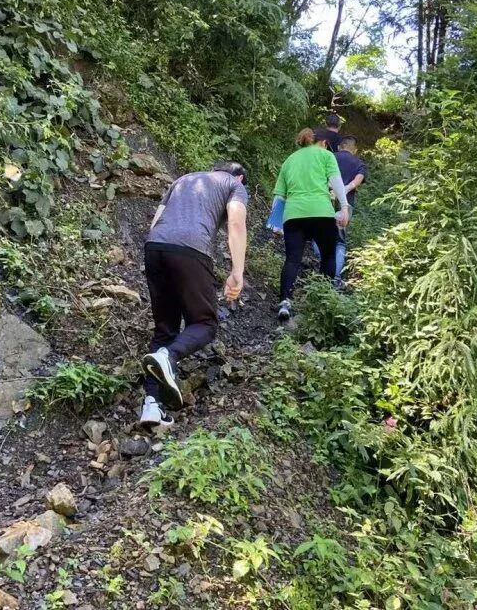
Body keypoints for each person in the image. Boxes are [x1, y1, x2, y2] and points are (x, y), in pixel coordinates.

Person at [139, 162, 248, 432]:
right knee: (205, 323)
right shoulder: (234, 185)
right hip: (190, 249)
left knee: (165, 329)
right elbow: (236, 224)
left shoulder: (184, 179)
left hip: (155, 247)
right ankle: (168, 356)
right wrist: (237, 272)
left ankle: (152, 405)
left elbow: (156, 220)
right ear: (240, 178)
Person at [271, 128, 350, 321]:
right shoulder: (326, 155)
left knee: (292, 259)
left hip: (293, 215)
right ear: (323, 143)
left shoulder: (290, 160)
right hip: (321, 212)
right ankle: (322, 301)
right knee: (328, 256)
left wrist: (275, 223)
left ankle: (285, 302)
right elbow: (336, 182)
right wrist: (345, 206)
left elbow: (279, 197)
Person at [331, 135, 368, 283]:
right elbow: (358, 179)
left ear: (340, 146)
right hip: (346, 205)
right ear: (355, 150)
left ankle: (323, 269)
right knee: (339, 241)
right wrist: (346, 189)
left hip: (325, 200)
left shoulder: (331, 157)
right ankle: (336, 277)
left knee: (319, 235)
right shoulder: (359, 163)